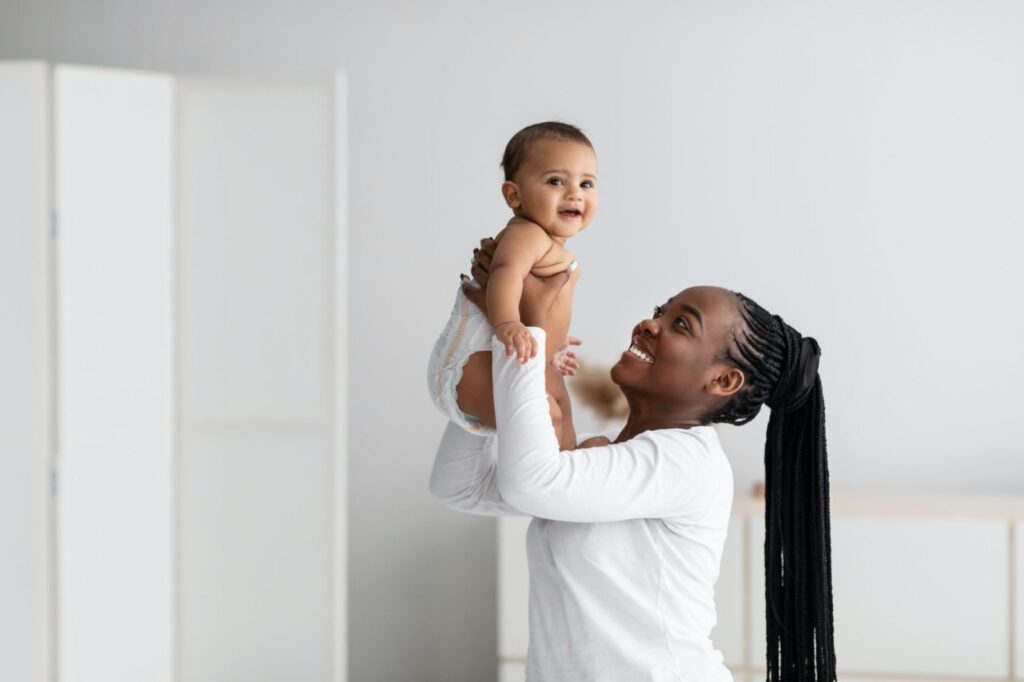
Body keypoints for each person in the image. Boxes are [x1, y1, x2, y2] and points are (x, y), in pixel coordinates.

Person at [429, 242, 837, 682]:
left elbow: (532, 482)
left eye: (680, 324)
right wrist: (497, 327)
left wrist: (527, 329)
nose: (649, 324)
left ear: (722, 380)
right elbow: (459, 486)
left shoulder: (689, 463)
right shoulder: (600, 458)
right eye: (660, 310)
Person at [426, 121, 597, 450]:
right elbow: (503, 275)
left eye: (587, 183)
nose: (575, 193)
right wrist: (508, 323)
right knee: (548, 414)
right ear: (514, 195)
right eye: (556, 181)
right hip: (470, 368)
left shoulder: (551, 246)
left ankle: (570, 463)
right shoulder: (526, 234)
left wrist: (554, 347)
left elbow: (537, 305)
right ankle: (557, 480)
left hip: (512, 360)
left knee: (561, 400)